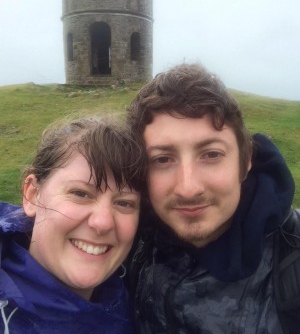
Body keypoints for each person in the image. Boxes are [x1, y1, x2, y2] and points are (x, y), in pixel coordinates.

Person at [126, 64, 300, 334]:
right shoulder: (127, 244)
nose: (188, 188)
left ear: (245, 161)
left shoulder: (293, 255)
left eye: (211, 155)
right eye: (162, 159)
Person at [0, 115, 146, 333]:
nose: (103, 222)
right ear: (32, 195)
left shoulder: (136, 298)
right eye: (80, 193)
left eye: (124, 203)